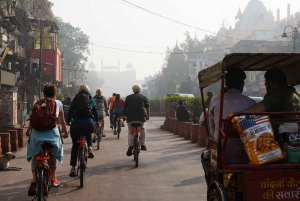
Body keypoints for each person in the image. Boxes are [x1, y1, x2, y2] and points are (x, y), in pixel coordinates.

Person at [26, 84, 68, 194]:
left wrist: (27, 131)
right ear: (55, 93)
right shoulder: (58, 103)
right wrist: (65, 132)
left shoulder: (37, 104)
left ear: (43, 93)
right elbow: (62, 121)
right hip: (52, 135)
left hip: (36, 134)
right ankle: (53, 178)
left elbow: (32, 119)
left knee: (36, 153)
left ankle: (35, 178)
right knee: (53, 152)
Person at [66, 84, 100, 177]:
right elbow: (95, 110)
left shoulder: (76, 98)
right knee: (88, 131)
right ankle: (89, 148)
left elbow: (70, 110)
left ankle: (73, 168)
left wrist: (68, 121)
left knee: (75, 147)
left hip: (76, 124)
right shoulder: (90, 98)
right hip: (89, 124)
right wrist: (97, 121)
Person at [123, 85, 150, 155]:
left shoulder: (128, 97)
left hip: (130, 117)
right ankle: (143, 144)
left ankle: (130, 146)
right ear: (140, 90)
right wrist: (148, 116)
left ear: (133, 90)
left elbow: (125, 108)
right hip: (141, 117)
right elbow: (147, 107)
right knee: (143, 128)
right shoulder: (143, 97)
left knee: (131, 132)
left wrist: (124, 116)